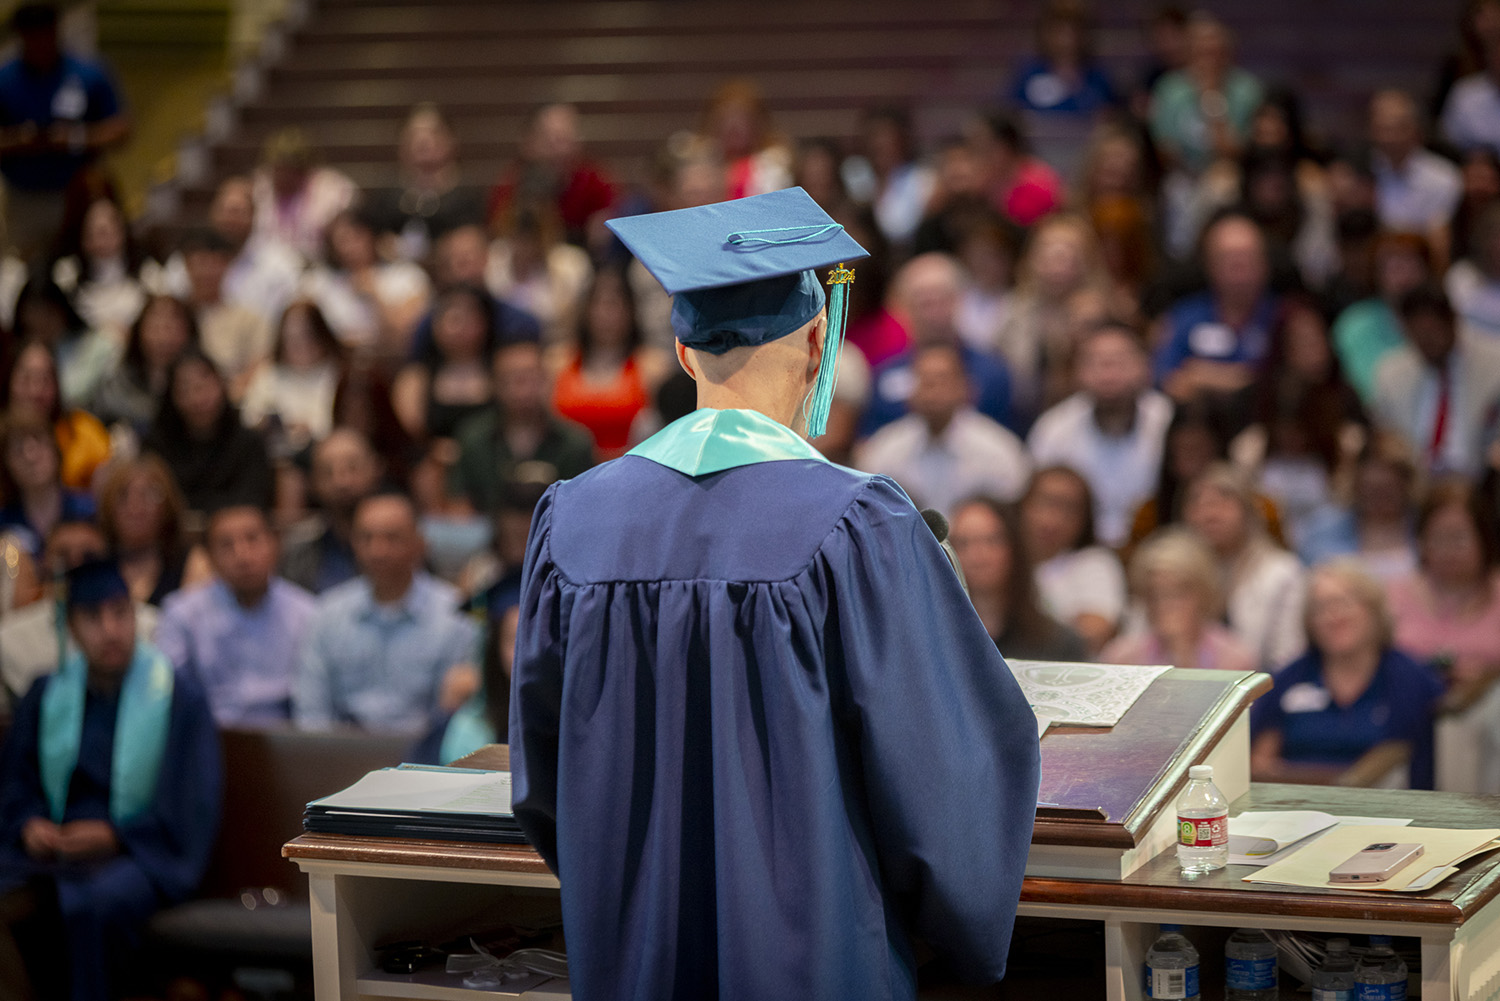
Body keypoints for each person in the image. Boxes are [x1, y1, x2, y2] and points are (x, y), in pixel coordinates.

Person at [513, 185, 1041, 1000]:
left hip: (632, 952)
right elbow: (943, 781)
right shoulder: (856, 523)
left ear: (684, 354)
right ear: (818, 336)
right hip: (815, 953)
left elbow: (544, 780)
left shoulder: (572, 520)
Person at [0, 558, 220, 1001]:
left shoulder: (178, 697)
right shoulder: (47, 694)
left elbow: (191, 805)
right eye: (93, 617)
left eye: (121, 612)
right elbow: (16, 783)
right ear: (71, 628)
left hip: (137, 857)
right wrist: (27, 824)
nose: (111, 629)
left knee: (93, 904)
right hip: (53, 855)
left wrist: (115, 835)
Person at [294, 491, 478, 733]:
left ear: (419, 543)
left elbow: (456, 717)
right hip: (341, 757)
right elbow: (311, 714)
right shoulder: (327, 614)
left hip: (429, 760)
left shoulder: (456, 614)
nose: (377, 550)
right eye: (366, 538)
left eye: (392, 538)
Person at [1251, 559, 1445, 789]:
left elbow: (1419, 763)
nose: (1332, 617)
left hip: (1383, 809)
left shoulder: (1410, 679)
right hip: (1293, 806)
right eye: (1319, 608)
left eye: (1342, 603)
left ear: (1373, 610)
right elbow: (1260, 765)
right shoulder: (1288, 678)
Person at [154, 505, 315, 728]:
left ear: (275, 543)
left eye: (252, 539)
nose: (242, 555)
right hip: (208, 737)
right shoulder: (181, 613)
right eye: (226, 545)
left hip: (288, 740)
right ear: (209, 556)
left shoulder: (307, 612)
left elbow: (315, 705)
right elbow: (167, 692)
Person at [0, 3, 129, 261]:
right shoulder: (5, 80)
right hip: (26, 195)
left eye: (45, 35)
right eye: (32, 37)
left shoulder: (88, 73)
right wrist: (20, 140)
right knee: (27, 267)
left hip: (79, 190)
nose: (40, 44)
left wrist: (76, 138)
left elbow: (121, 128)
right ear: (21, 37)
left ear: (56, 32)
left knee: (86, 263)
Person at [1027, 321, 1173, 547]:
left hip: (1157, 545)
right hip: (1075, 550)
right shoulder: (1053, 430)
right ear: (1077, 372)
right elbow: (1038, 508)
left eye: (1120, 360)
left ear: (1145, 367)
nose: (1108, 370)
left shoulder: (1168, 422)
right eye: (1095, 361)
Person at [856, 341, 1031, 514]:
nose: (933, 392)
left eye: (942, 381)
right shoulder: (883, 450)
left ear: (966, 388)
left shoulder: (999, 452)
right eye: (925, 382)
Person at [862, 252, 1015, 435]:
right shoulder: (885, 376)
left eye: (941, 300)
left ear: (960, 300)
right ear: (903, 308)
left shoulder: (992, 373)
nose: (933, 312)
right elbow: (869, 441)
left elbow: (1006, 440)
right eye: (924, 302)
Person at [1183, 462, 1307, 671]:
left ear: (1248, 511)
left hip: (1260, 693)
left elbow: (1288, 658)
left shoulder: (1283, 572)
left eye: (1223, 501)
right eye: (1199, 503)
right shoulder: (1174, 572)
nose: (1210, 513)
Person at [1155, 211, 1278, 418]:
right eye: (1228, 258)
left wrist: (1203, 376)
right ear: (1209, 265)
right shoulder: (1184, 315)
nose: (1238, 266)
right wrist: (1243, 379)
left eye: (1246, 257)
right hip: (1197, 426)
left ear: (1265, 264)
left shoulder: (1283, 316)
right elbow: (1166, 381)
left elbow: (1283, 387)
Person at [449, 341, 594, 514]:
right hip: (487, 537)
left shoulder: (574, 443)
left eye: (530, 379)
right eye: (511, 380)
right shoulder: (473, 437)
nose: (522, 390)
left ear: (546, 381)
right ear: (494, 384)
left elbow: (585, 510)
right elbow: (459, 505)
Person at [1371, 283, 1500, 478]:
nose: (1427, 341)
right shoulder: (1391, 375)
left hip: (1480, 481)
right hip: (1417, 486)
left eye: (1432, 331)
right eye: (1418, 335)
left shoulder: (1494, 365)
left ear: (1451, 321)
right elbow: (1386, 438)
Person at [549, 264, 669, 460]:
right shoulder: (556, 363)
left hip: (628, 479)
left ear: (631, 309)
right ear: (585, 308)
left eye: (614, 304)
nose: (606, 314)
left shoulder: (654, 367)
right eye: (598, 303)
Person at [950, 495, 1088, 661]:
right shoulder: (931, 639)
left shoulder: (1059, 642)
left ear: (1015, 548)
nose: (977, 555)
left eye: (991, 541)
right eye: (963, 543)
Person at [1101, 527, 1258, 672]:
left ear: (1204, 594)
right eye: (1154, 595)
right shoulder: (1121, 659)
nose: (1164, 605)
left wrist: (1183, 654)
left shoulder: (1235, 659)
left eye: (1177, 594)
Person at [143, 349, 275, 514]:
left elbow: (253, 501)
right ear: (172, 396)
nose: (198, 397)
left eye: (204, 385)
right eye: (185, 388)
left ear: (221, 385)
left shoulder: (248, 443)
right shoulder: (156, 445)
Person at [1019, 465, 1127, 656]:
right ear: (1023, 505)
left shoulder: (1095, 564)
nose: (1052, 518)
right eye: (1045, 502)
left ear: (1084, 520)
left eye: (1068, 508)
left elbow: (1094, 633)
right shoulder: (1004, 562)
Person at [299, 207, 431, 358]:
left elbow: (406, 339)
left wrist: (375, 297)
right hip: (333, 364)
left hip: (388, 362)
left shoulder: (407, 276)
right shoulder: (318, 282)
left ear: (373, 235)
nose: (348, 247)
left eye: (356, 236)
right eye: (340, 240)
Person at [365, 103, 486, 262]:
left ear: (451, 141)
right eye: (414, 134)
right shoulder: (387, 197)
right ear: (402, 144)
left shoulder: (466, 198)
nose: (423, 141)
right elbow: (373, 242)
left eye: (433, 133)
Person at [487, 102, 616, 248]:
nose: (560, 150)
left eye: (566, 139)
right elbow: (500, 234)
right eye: (551, 139)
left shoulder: (595, 182)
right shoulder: (512, 185)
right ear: (529, 143)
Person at [279, 428, 384, 595]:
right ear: (312, 482)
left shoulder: (404, 539)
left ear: (376, 469)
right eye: (328, 472)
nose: (341, 481)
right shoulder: (297, 550)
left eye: (353, 467)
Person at [178, 227, 276, 400]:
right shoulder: (172, 314)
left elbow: (260, 365)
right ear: (186, 265)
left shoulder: (249, 319)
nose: (206, 271)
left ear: (228, 265)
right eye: (200, 262)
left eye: (214, 263)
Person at [238, 300, 345, 458]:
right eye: (291, 338)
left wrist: (310, 429)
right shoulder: (269, 375)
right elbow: (249, 418)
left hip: (322, 455)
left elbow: (341, 424)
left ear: (321, 333)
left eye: (307, 335)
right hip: (275, 455)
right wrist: (266, 424)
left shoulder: (338, 373)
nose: (299, 345)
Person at [1, 338, 109, 491]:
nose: (36, 391)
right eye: (26, 379)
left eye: (45, 380)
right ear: (9, 380)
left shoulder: (82, 430)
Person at [96, 456, 205, 608]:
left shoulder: (193, 563)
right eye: (123, 495)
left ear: (167, 506)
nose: (135, 508)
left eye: (148, 495)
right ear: (108, 507)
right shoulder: (93, 562)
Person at [1369, 90, 1462, 263]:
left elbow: (1437, 240)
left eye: (1396, 128)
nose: (1388, 138)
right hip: (1375, 264)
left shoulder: (1443, 176)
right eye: (1381, 128)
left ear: (1415, 131)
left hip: (1421, 264)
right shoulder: (1362, 170)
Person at [87, 295, 198, 437]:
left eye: (170, 328)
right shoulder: (119, 378)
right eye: (155, 328)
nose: (163, 339)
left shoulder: (201, 379)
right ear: (139, 331)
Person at [250, 128, 357, 263]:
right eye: (278, 170)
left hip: (317, 266)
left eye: (291, 171)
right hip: (265, 267)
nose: (284, 177)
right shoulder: (257, 188)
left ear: (305, 170)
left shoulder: (332, 190)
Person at [10, 277, 118, 411]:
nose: (35, 391)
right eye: (32, 327)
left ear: (62, 312)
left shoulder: (94, 346)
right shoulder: (13, 350)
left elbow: (73, 398)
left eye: (47, 316)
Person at [49, 194, 146, 341]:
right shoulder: (65, 276)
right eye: (91, 233)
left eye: (104, 232)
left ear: (122, 232)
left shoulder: (148, 275)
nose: (99, 241)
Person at [0, 414, 94, 558]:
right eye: (18, 449)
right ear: (7, 465)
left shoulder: (90, 510)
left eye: (39, 442)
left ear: (55, 448)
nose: (30, 456)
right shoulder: (4, 523)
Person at [965, 110, 1064, 228]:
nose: (975, 155)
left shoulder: (1037, 185)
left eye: (981, 147)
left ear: (1004, 148)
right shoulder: (983, 182)